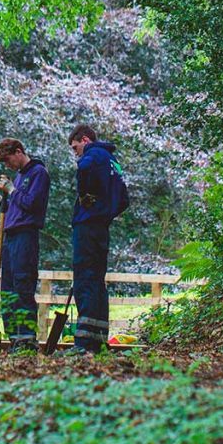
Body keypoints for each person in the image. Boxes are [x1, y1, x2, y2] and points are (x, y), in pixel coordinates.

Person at [66, 124, 129, 354]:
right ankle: (99, 338)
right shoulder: (114, 162)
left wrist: (85, 197)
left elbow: (84, 167)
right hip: (102, 227)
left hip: (87, 226)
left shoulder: (92, 156)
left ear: (85, 140)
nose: (76, 153)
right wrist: (106, 213)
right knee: (98, 282)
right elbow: (124, 201)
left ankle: (84, 343)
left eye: (75, 147)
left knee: (85, 279)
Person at [0, 138, 50, 350]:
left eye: (8, 161)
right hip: (11, 237)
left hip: (26, 235)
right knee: (8, 290)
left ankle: (27, 338)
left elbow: (32, 204)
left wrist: (11, 190)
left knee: (23, 286)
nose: (8, 166)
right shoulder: (20, 176)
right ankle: (14, 338)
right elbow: (16, 206)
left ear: (19, 151)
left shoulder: (38, 173)